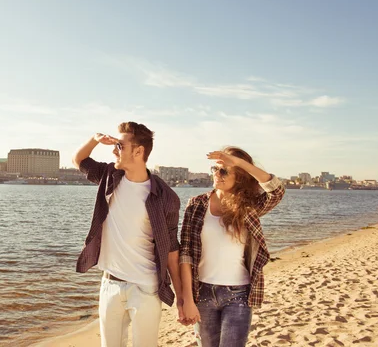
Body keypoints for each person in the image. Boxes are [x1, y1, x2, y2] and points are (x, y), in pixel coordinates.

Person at [72, 122, 184, 347]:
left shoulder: (165, 196)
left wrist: (182, 298)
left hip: (146, 288)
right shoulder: (109, 176)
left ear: (139, 151)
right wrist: (95, 139)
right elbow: (80, 161)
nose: (115, 150)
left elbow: (172, 249)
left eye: (120, 146)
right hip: (110, 285)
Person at [179, 147, 285, 347]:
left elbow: (276, 190)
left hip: (238, 294)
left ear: (240, 177)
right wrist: (187, 300)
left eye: (224, 171)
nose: (217, 175)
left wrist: (239, 163)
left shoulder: (248, 206)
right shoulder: (196, 204)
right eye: (215, 169)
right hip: (202, 292)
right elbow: (185, 254)